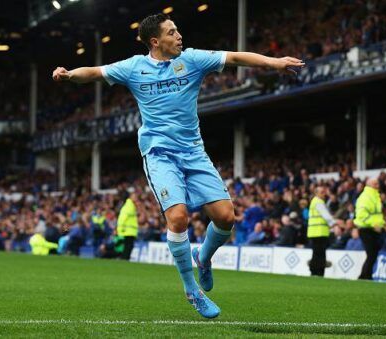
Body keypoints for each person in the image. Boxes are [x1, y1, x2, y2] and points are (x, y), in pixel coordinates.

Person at [52, 13, 304, 318]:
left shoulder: (193, 60)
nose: (179, 36)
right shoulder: (134, 68)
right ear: (156, 41)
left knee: (226, 218)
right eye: (172, 32)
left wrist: (275, 62)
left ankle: (204, 257)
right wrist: (67, 75)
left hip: (193, 152)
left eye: (178, 30)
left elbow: (236, 57)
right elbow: (93, 72)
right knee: (179, 218)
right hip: (159, 154)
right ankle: (191, 291)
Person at [307, 186, 342, 276]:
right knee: (320, 254)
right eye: (322, 192)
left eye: (324, 192)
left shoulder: (314, 202)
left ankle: (314, 271)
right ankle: (318, 272)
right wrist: (335, 224)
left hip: (315, 231)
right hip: (319, 232)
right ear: (316, 193)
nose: (324, 194)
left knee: (316, 253)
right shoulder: (318, 202)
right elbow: (326, 216)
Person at [354, 178, 385, 280]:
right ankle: (364, 276)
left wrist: (384, 224)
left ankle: (366, 275)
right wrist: (374, 225)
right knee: (371, 253)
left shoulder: (375, 196)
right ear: (369, 185)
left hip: (375, 229)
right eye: (375, 183)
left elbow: (377, 215)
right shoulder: (365, 197)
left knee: (373, 253)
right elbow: (361, 215)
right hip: (366, 229)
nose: (378, 185)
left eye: (377, 183)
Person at [117, 193, 139, 260]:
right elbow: (122, 218)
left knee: (128, 246)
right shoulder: (129, 206)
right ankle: (124, 260)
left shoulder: (131, 205)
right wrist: (120, 228)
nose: (136, 198)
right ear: (130, 197)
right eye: (134, 196)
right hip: (128, 231)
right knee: (128, 247)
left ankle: (125, 260)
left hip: (130, 231)